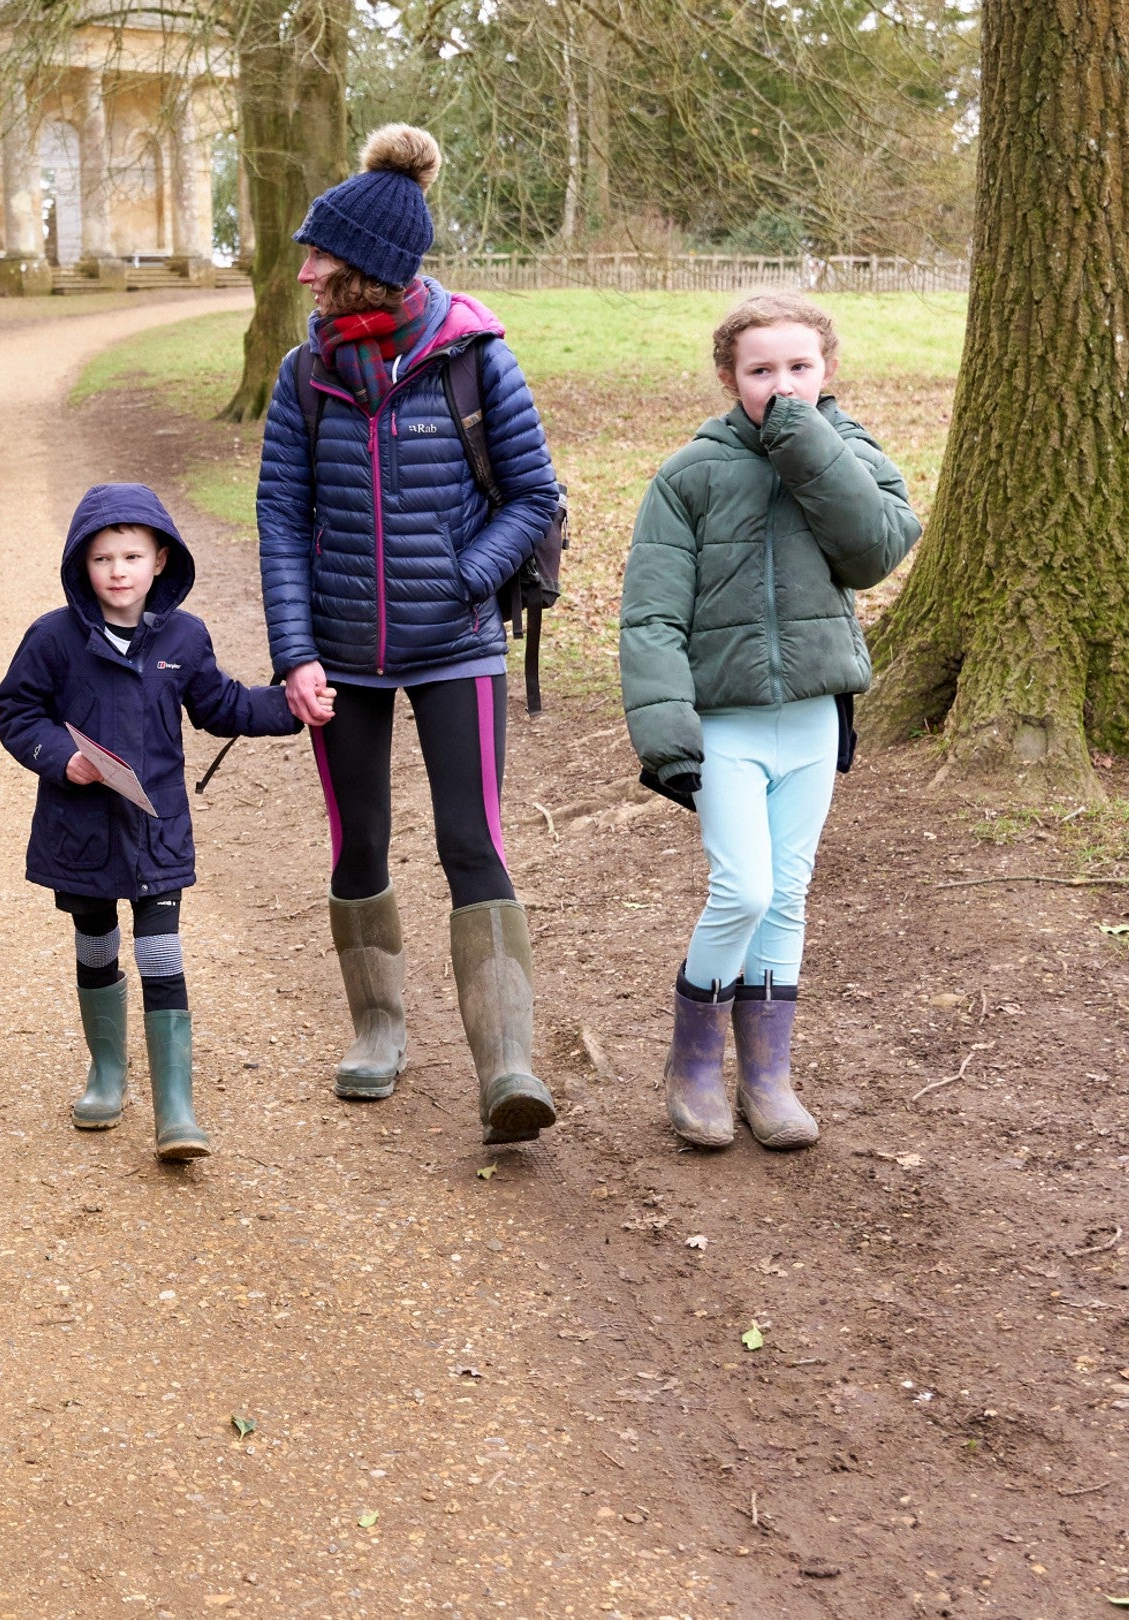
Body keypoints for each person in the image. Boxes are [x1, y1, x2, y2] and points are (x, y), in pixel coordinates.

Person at [254, 125, 569, 1144]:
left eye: (320, 258)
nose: (303, 272)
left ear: (371, 270)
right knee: (360, 843)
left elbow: (535, 498)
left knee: (471, 842)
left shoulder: (474, 360)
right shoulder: (304, 376)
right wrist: (295, 654)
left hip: (458, 646)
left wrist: (463, 577)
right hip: (340, 654)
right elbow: (280, 521)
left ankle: (506, 1066)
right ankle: (378, 1030)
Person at [620, 293, 920, 1151]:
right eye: (761, 371)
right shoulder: (691, 474)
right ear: (729, 378)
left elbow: (875, 550)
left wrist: (809, 447)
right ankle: (694, 1065)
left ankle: (767, 1076)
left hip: (815, 717)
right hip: (727, 725)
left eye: (799, 367)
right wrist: (665, 730)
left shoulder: (850, 452)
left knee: (786, 899)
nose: (781, 384)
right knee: (742, 890)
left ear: (827, 372)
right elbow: (649, 617)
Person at [0, 485, 299, 1160]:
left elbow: (220, 705)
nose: (118, 571)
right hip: (81, 832)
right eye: (102, 558)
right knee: (96, 943)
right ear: (82, 566)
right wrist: (61, 757)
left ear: (161, 559)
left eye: (131, 555)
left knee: (161, 951)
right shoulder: (54, 639)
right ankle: (106, 1075)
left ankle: (176, 1107)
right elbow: (15, 711)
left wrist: (291, 707)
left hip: (157, 830)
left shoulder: (183, 638)